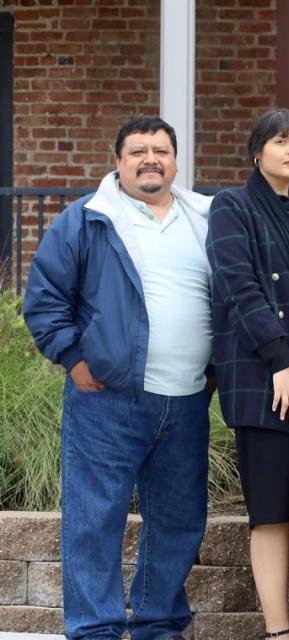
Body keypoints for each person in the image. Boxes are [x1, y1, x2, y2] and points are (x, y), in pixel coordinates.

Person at [23, 116, 213, 640]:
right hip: (107, 399)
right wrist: (75, 360)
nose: (149, 158)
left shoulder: (206, 219)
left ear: (176, 161)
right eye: (137, 151)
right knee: (93, 521)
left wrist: (216, 369)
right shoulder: (87, 219)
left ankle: (158, 623)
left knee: (178, 523)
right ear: (118, 162)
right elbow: (44, 302)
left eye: (160, 149)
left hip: (188, 398)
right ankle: (95, 629)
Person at [207, 109, 289, 640]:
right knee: (271, 511)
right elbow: (242, 289)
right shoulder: (232, 206)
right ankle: (276, 631)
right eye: (280, 141)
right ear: (256, 151)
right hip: (265, 377)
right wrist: (280, 362)